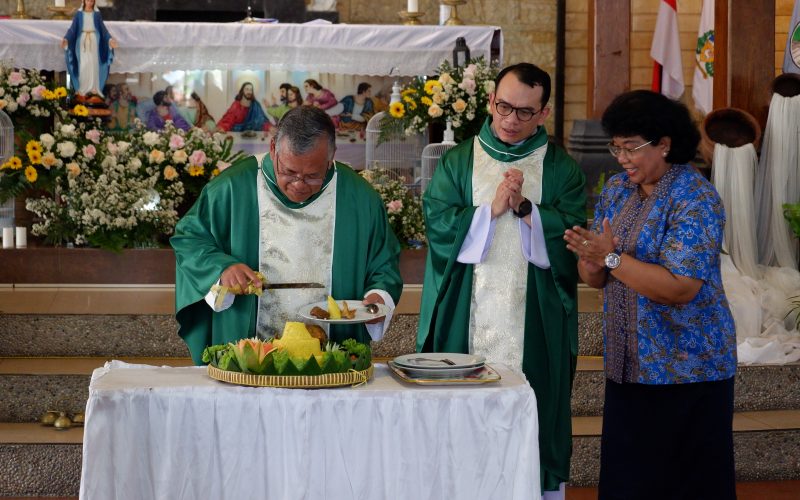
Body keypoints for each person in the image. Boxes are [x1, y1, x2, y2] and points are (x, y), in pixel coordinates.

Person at [416, 62, 586, 499]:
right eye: (504, 107)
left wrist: (529, 211)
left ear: (544, 113)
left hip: (534, 314)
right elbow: (436, 223)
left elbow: (572, 237)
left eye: (525, 112)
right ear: (490, 102)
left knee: (533, 413)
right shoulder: (458, 161)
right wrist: (488, 211)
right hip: (466, 313)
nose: (511, 120)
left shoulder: (560, 168)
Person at [563, 90, 737, 500]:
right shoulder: (619, 191)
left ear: (665, 143)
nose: (621, 158)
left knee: (685, 486)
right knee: (628, 481)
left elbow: (681, 288)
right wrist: (590, 260)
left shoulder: (695, 199)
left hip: (687, 370)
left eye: (631, 147)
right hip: (629, 364)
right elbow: (599, 279)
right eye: (616, 146)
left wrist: (611, 259)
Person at [171, 106, 403, 364]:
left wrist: (377, 299)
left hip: (333, 356)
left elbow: (384, 263)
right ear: (273, 149)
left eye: (312, 176)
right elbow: (189, 239)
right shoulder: (231, 188)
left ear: (331, 158)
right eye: (289, 172)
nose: (299, 184)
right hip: (248, 351)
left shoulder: (359, 197)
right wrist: (222, 268)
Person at [61, 0, 117, 97]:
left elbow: (103, 30)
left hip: (94, 42)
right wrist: (66, 39)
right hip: (82, 42)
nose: (90, 2)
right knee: (83, 65)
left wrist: (110, 40)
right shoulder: (79, 14)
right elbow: (72, 29)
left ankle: (94, 88)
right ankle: (82, 89)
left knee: (93, 64)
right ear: (84, 1)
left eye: (92, 1)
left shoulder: (97, 14)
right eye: (88, 0)